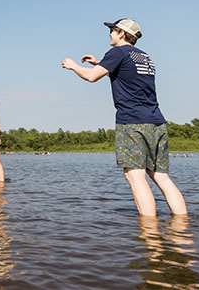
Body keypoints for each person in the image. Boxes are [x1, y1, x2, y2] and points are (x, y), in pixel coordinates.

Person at [62, 18, 187, 217]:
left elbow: (91, 77)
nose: (110, 33)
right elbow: (127, 72)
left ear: (121, 33)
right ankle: (182, 228)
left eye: (112, 30)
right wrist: (100, 63)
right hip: (156, 121)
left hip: (133, 121)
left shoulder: (117, 52)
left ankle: (150, 233)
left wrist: (73, 66)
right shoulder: (144, 56)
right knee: (162, 177)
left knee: (135, 177)